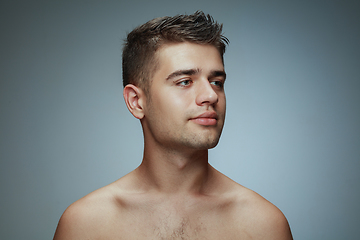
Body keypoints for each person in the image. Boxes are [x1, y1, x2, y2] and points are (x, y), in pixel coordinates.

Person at [53, 11, 293, 239]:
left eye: (217, 81)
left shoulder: (263, 224)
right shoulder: (86, 224)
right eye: (185, 81)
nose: (210, 95)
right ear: (136, 101)